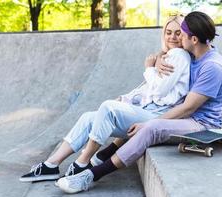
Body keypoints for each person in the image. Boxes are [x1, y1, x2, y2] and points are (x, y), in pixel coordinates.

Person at [55, 11, 222, 194]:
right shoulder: (197, 53)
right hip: (185, 115)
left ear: (194, 39)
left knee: (149, 129)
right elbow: (174, 58)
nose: (179, 38)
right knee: (135, 115)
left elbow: (188, 108)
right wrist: (160, 58)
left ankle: (91, 175)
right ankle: (103, 155)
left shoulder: (212, 67)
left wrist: (149, 122)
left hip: (201, 123)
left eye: (182, 34)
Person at [19, 14, 191, 182]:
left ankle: (82, 162)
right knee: (88, 117)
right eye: (168, 32)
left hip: (159, 117)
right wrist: (126, 99)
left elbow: (159, 91)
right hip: (146, 111)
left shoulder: (179, 56)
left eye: (178, 33)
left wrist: (149, 68)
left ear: (185, 34)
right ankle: (52, 164)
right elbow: (148, 90)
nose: (172, 37)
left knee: (108, 107)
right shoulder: (168, 55)